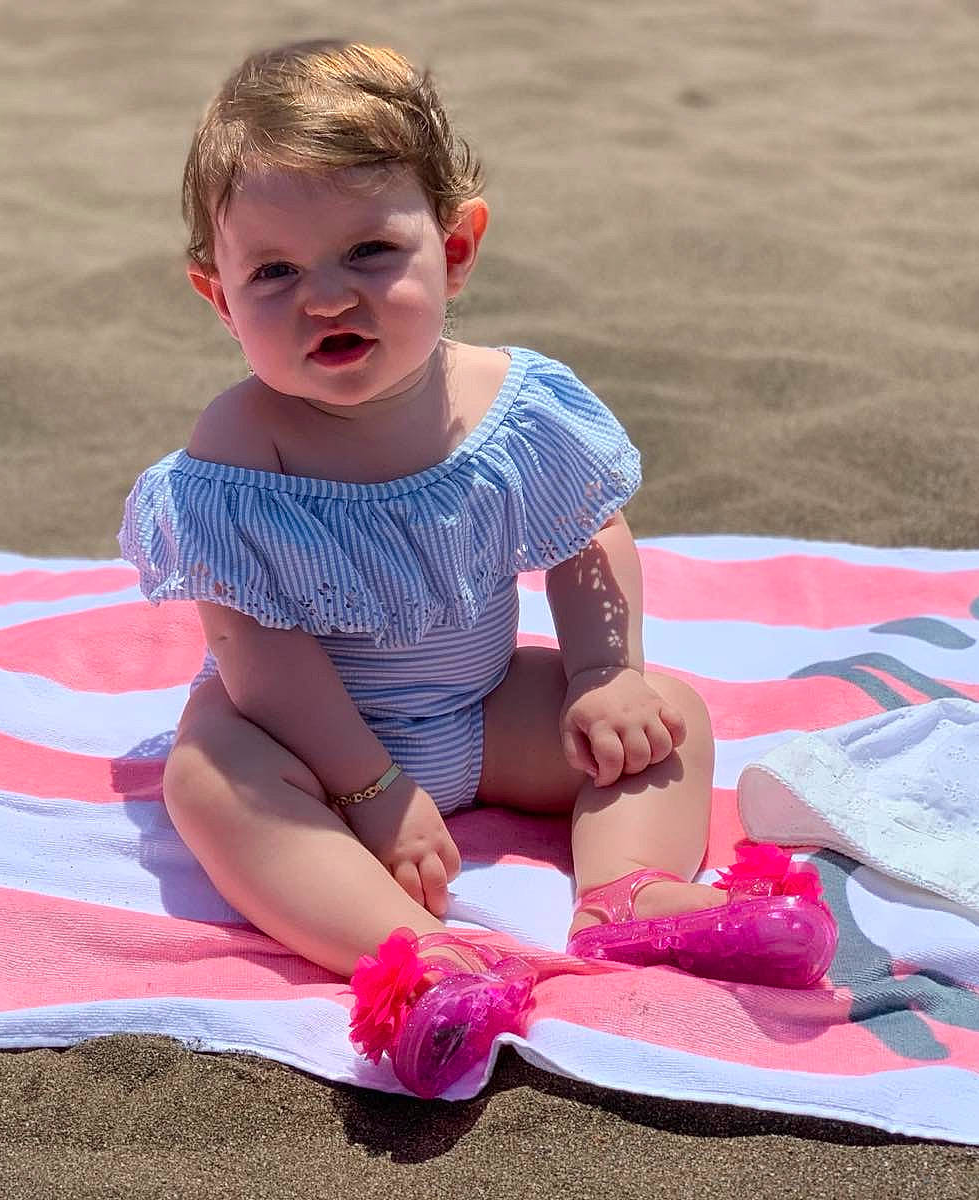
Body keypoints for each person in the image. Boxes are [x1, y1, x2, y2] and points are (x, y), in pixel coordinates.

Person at [118, 40, 836, 1095]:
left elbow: (587, 537)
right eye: (273, 272)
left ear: (454, 251)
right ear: (217, 298)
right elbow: (255, 651)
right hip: (307, 734)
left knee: (666, 715)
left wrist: (602, 673)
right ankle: (412, 957)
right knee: (210, 779)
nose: (324, 299)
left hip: (480, 702)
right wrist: (370, 787)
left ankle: (625, 897)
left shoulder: (510, 406)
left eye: (368, 252)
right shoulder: (240, 449)